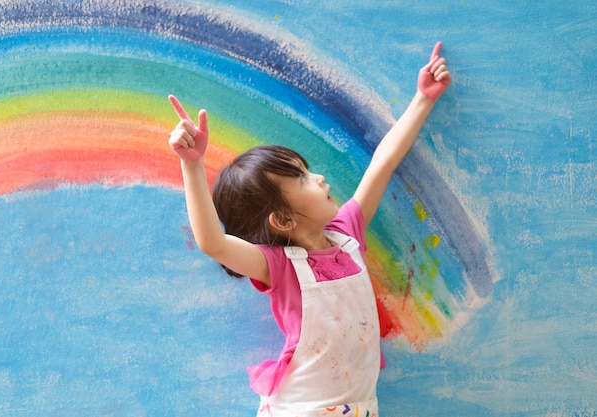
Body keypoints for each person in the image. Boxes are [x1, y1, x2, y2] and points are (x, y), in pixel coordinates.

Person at [168, 42, 451, 417]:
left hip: (360, 408)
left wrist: (422, 100)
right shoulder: (279, 265)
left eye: (307, 169)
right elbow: (212, 242)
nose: (318, 178)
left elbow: (381, 164)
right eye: (301, 178)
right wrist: (192, 165)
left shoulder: (346, 234)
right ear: (282, 221)